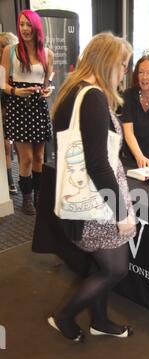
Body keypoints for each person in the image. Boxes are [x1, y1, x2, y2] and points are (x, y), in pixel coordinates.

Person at [48, 32, 136, 342]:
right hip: (99, 204)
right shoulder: (93, 97)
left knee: (103, 266)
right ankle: (64, 315)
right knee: (115, 269)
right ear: (109, 62)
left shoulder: (71, 93)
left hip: (82, 200)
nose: (124, 73)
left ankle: (99, 320)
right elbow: (98, 165)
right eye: (123, 65)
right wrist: (122, 212)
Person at [1, 10, 53, 214]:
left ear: (36, 27)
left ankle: (39, 195)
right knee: (27, 158)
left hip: (38, 106)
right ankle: (27, 199)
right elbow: (1, 82)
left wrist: (48, 91)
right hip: (18, 106)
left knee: (39, 157)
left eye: (28, 25)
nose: (24, 29)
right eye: (22, 24)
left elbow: (47, 82)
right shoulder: (10, 51)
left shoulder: (47, 53)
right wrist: (15, 90)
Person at [0, 32, 18, 194]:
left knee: (18, 148)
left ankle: (20, 180)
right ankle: (10, 182)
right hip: (4, 111)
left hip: (15, 111)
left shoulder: (18, 66)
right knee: (5, 147)